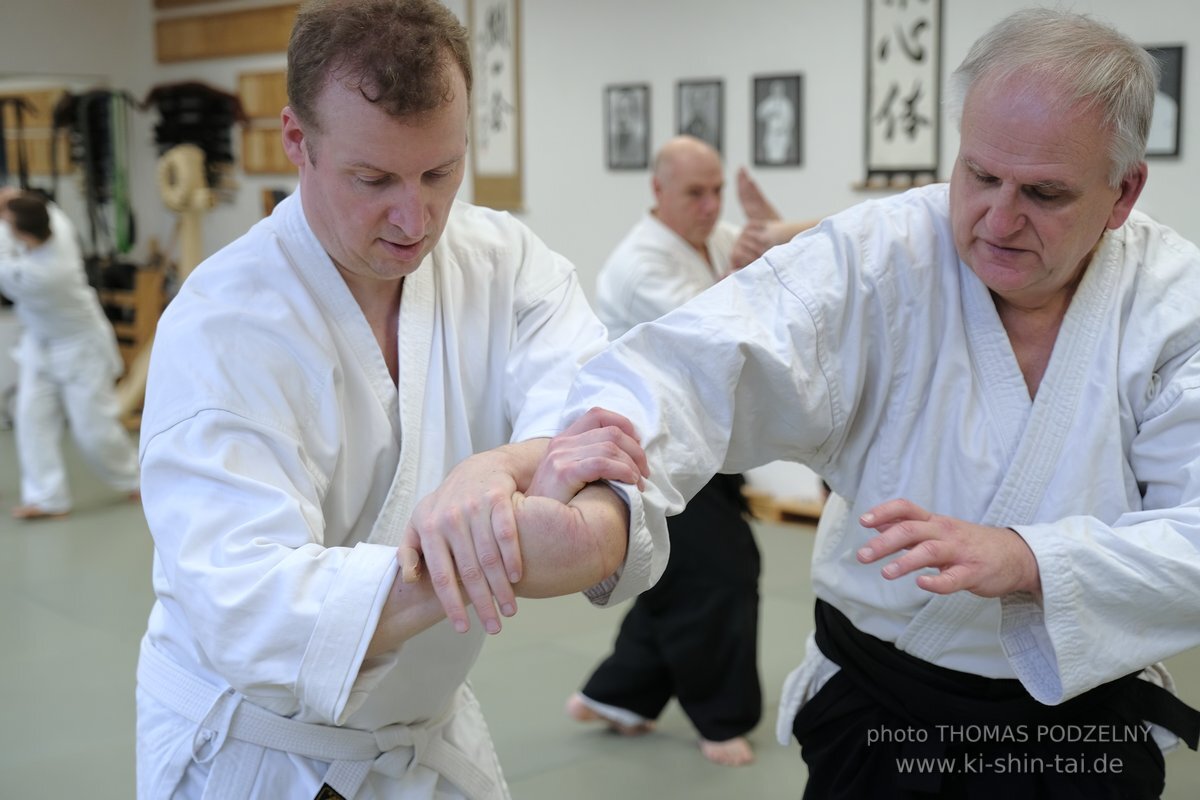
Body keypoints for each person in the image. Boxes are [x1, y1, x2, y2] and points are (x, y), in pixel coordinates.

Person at [549, 9, 1200, 798]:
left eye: (1046, 193)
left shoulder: (1174, 305)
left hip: (1079, 725)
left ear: (1123, 190)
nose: (998, 218)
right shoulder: (878, 256)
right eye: (981, 175)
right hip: (884, 706)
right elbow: (695, 361)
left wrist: (1030, 559)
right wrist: (595, 484)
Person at [133, 2, 652, 799]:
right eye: (373, 179)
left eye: (441, 172)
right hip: (259, 753)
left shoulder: (504, 263)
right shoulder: (222, 328)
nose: (416, 218)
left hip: (423, 734)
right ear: (297, 142)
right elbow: (248, 602)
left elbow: (604, 416)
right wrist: (488, 546)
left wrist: (499, 469)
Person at [569, 135, 766, 767]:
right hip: (651, 447)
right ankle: (720, 718)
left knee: (671, 575)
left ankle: (614, 696)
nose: (711, 206)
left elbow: (780, 284)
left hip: (704, 444)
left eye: (716, 192)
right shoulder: (640, 265)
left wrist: (770, 239)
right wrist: (751, 271)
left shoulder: (714, 237)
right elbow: (719, 333)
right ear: (658, 192)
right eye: (694, 193)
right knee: (724, 570)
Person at [0, 188, 140, 519]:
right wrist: (13, 196)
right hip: (40, 344)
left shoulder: (41, 274)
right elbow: (43, 205)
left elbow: (3, 252)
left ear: (21, 232)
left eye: (8, 220)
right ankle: (47, 499)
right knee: (31, 419)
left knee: (93, 429)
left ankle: (135, 479)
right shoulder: (58, 225)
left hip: (81, 347)